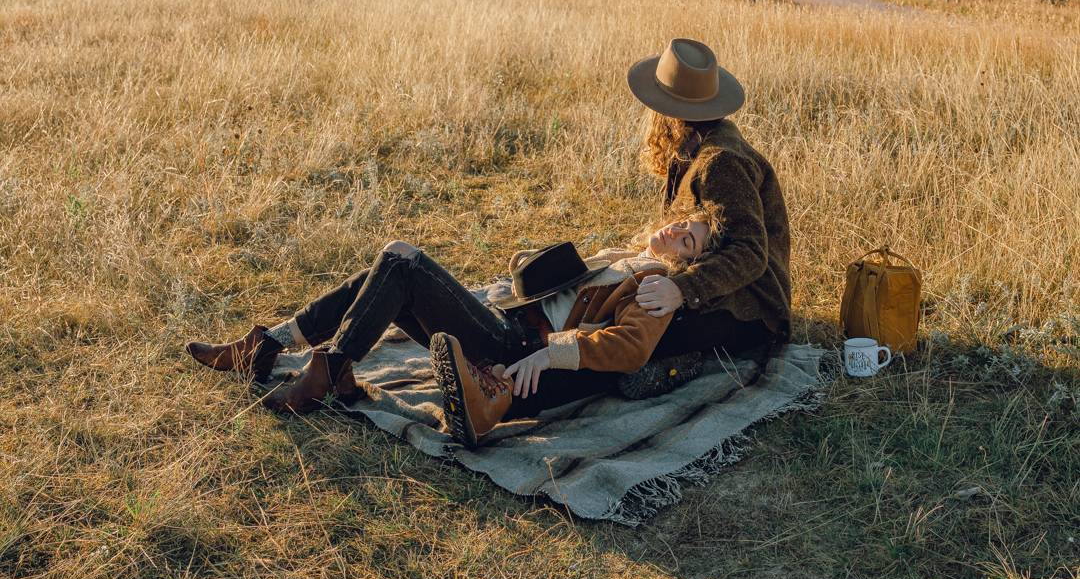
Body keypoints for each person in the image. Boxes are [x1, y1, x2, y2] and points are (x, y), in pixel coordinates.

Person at [184, 223, 711, 437]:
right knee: (385, 275)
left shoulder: (655, 282)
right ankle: (269, 345)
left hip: (514, 346)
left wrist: (551, 354)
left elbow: (631, 348)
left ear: (688, 265)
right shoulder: (624, 254)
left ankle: (330, 369)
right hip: (506, 320)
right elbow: (555, 290)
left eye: (690, 241)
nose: (678, 231)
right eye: (684, 221)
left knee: (400, 260)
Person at [625, 37, 792, 361]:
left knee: (632, 335)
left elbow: (749, 253)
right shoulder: (690, 145)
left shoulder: (721, 162)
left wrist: (682, 290)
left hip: (752, 310)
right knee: (621, 306)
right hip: (713, 288)